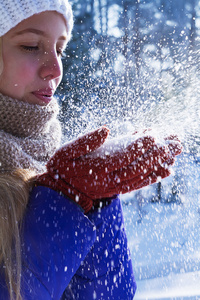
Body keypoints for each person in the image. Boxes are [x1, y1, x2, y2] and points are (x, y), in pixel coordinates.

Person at [0, 1, 182, 299]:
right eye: (31, 46)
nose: (55, 69)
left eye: (60, 49)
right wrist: (59, 200)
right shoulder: (57, 183)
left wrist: (91, 202)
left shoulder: (59, 170)